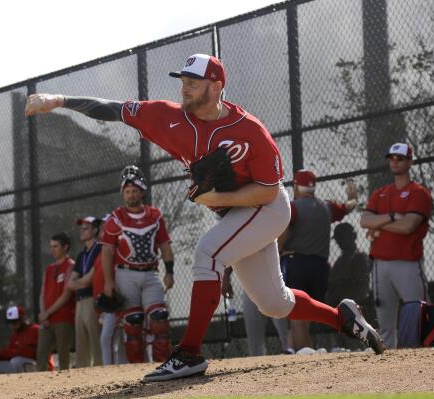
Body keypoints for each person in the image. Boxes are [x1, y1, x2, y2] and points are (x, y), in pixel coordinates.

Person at [25, 53, 385, 382]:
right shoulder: (167, 117)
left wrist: (217, 197)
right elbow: (113, 109)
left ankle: (190, 353)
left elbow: (267, 191)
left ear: (216, 87)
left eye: (193, 83)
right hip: (235, 217)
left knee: (208, 252)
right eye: (182, 81)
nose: (184, 88)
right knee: (274, 302)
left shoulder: (250, 132)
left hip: (267, 208)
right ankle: (343, 318)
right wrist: (59, 101)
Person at [98, 165, 175, 364]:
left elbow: (165, 245)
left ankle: (162, 366)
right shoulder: (115, 218)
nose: (131, 195)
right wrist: (108, 281)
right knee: (133, 323)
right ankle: (137, 370)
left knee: (160, 319)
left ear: (142, 191)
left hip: (151, 274)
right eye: (127, 191)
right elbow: (106, 251)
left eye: (134, 191)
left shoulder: (155, 216)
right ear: (123, 193)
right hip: (125, 275)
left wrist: (170, 272)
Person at [360, 143, 432, 349]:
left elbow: (409, 225)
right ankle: (388, 368)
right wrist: (393, 217)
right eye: (391, 158)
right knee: (385, 322)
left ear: (409, 161)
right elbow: (364, 220)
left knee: (419, 316)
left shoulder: (419, 192)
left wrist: (380, 227)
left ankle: (427, 359)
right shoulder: (381, 192)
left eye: (400, 158)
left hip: (408, 263)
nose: (395, 162)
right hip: (380, 264)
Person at [278, 169, 358, 351]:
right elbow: (349, 206)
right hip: (320, 267)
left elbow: (284, 232)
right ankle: (292, 349)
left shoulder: (294, 207)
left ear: (297, 186)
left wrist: (278, 251)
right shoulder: (326, 207)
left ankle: (303, 354)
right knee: (309, 312)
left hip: (297, 264)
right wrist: (353, 195)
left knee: (297, 317)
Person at [325, 223, 373, 350]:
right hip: (339, 306)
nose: (340, 242)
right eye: (338, 239)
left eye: (342, 237)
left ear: (352, 237)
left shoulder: (359, 257)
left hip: (356, 306)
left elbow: (361, 288)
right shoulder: (340, 261)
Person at [222, 266, 290, 355]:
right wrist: (226, 277)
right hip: (250, 286)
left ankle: (291, 352)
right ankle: (257, 360)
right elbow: (233, 255)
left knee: (284, 328)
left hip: (274, 283)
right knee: (254, 335)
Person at [92, 215, 128, 366]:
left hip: (119, 302)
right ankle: (112, 370)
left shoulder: (118, 248)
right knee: (110, 340)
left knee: (118, 339)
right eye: (102, 227)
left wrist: (119, 309)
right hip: (109, 303)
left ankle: (113, 370)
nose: (103, 229)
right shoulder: (101, 252)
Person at [36, 232, 75, 371]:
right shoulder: (49, 268)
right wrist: (43, 314)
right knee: (41, 354)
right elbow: (43, 292)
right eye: (51, 246)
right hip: (47, 319)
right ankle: (38, 387)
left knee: (63, 353)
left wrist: (48, 312)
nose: (52, 249)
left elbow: (66, 294)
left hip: (63, 318)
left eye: (56, 246)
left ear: (65, 247)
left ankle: (65, 386)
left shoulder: (71, 265)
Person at [67, 216, 103, 367]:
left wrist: (79, 282)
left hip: (92, 299)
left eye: (85, 228)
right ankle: (82, 376)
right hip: (80, 301)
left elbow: (88, 279)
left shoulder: (100, 248)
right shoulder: (82, 254)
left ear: (95, 230)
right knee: (81, 344)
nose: (81, 231)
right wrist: (80, 282)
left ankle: (102, 371)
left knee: (96, 341)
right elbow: (70, 283)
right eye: (80, 228)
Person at [0, 306, 52, 374]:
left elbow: (29, 353)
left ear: (23, 319)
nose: (12, 326)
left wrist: (1, 352)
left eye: (14, 322)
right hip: (24, 365)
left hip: (42, 367)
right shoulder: (15, 335)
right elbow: (9, 356)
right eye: (10, 323)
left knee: (16, 360)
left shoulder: (34, 330)